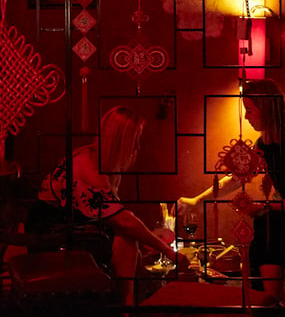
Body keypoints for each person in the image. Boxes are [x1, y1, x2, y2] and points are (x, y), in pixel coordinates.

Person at [177, 79, 285, 299]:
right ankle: (266, 298)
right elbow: (237, 178)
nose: (246, 116)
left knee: (268, 222)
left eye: (249, 110)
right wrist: (198, 200)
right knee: (264, 229)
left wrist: (265, 205)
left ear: (265, 110)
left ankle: (271, 298)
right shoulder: (265, 144)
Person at [28, 106, 184, 306]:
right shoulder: (85, 165)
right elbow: (123, 220)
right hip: (50, 234)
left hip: (74, 226)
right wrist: (167, 250)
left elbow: (117, 214)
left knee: (129, 239)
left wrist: (150, 237)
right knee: (126, 238)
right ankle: (127, 305)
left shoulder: (101, 162)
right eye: (135, 140)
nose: (137, 147)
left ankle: (134, 301)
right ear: (121, 141)